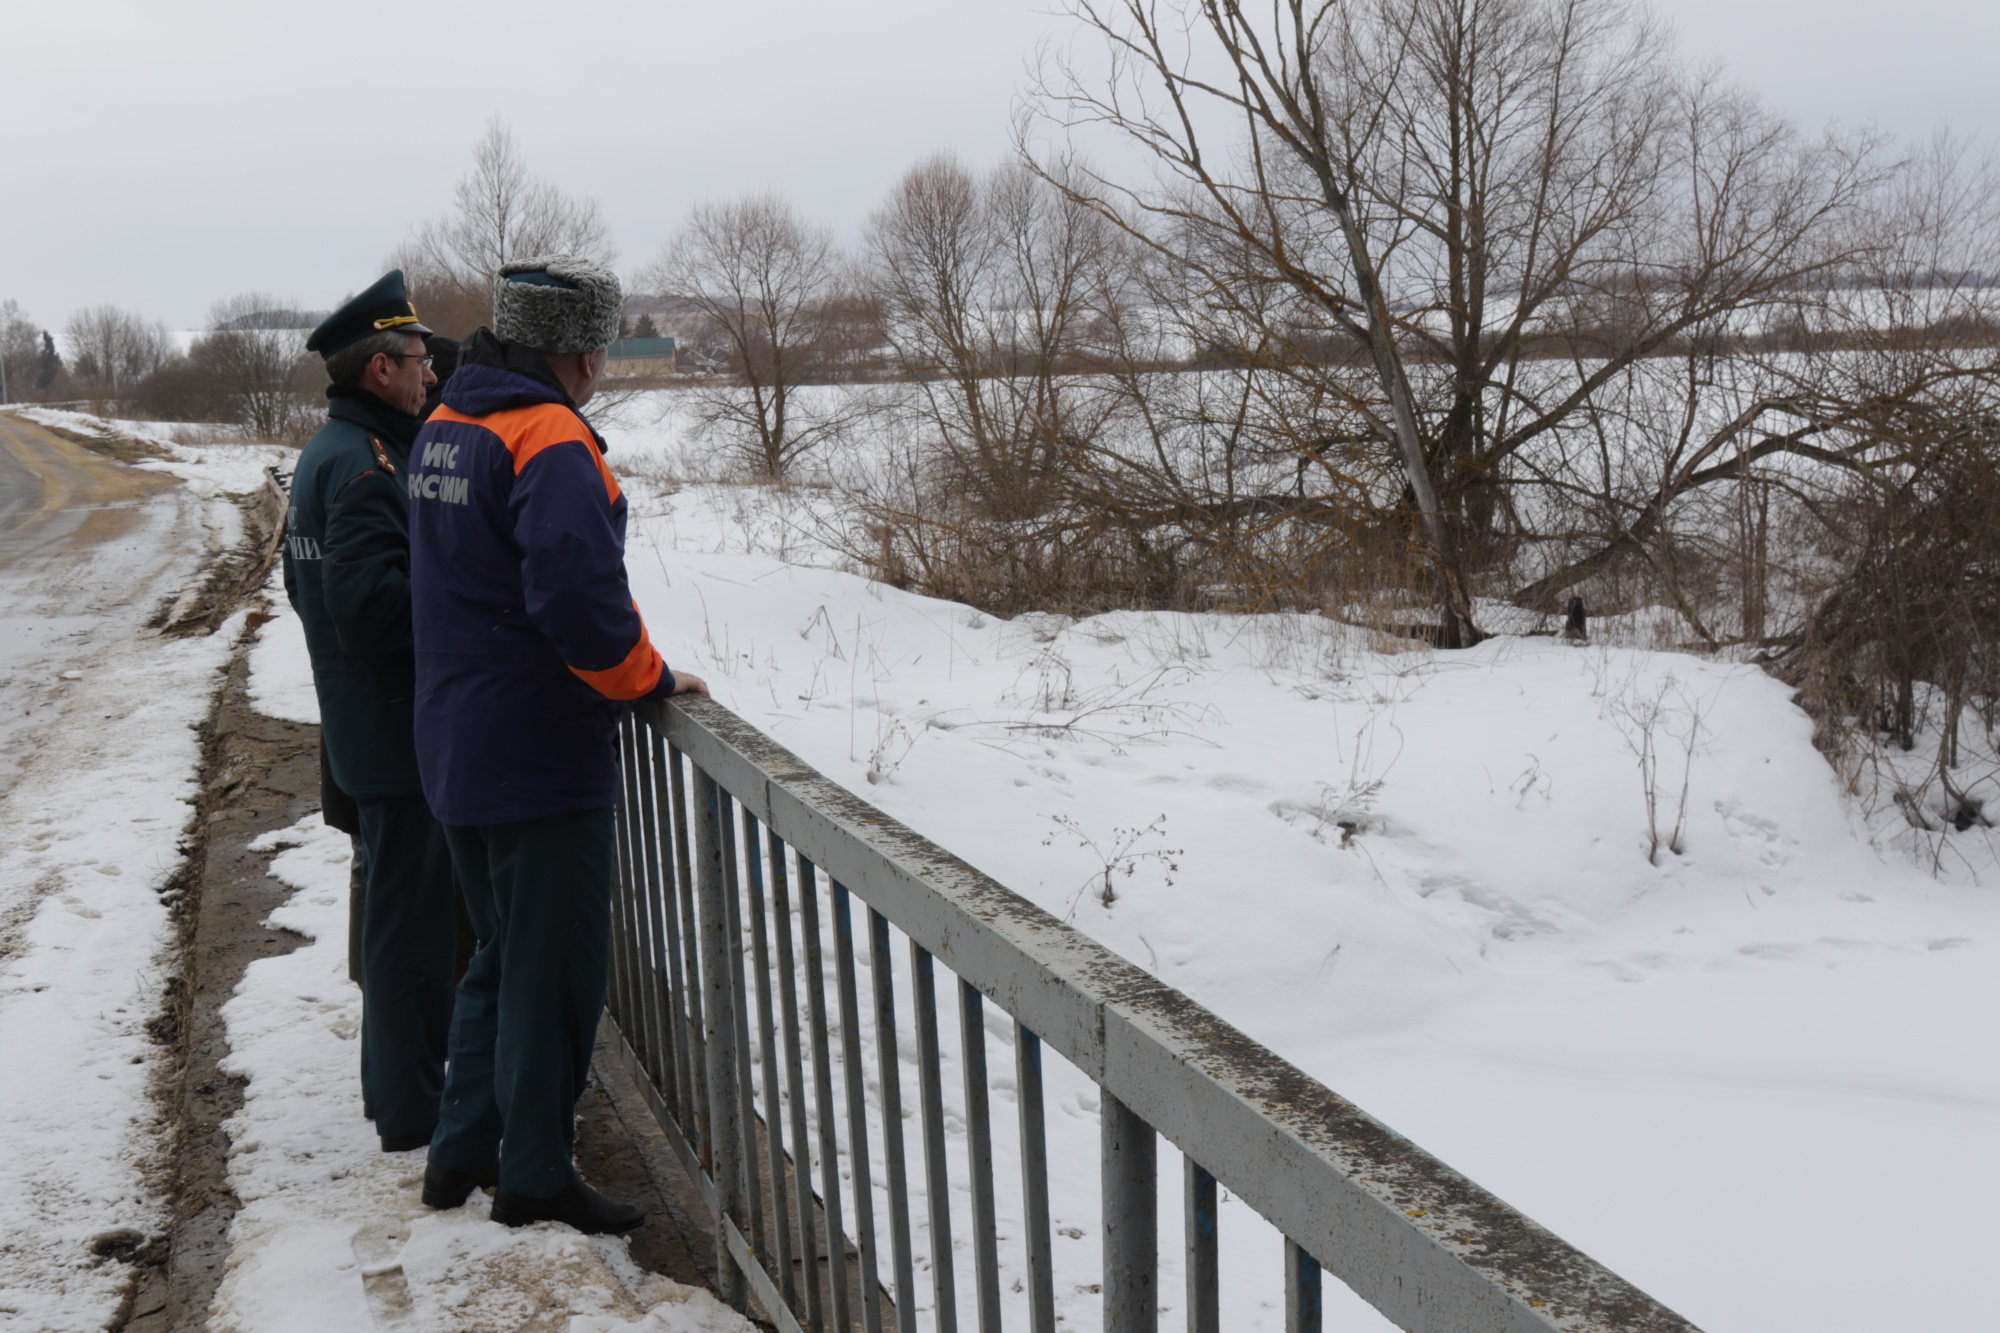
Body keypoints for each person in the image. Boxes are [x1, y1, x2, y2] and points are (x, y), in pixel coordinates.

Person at [407, 255, 707, 1234]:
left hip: (456, 738)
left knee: (501, 953)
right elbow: (580, 605)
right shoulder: (548, 438)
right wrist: (651, 681)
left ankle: (458, 1154)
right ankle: (533, 1174)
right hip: (536, 757)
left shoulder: (446, 424)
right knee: (557, 973)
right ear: (580, 347)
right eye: (602, 346)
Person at [286, 272, 461, 1154]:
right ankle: (410, 1110)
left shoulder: (332, 451)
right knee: (410, 931)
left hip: (365, 725)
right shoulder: (363, 468)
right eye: (420, 359)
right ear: (380, 369)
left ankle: (397, 1090)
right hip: (395, 735)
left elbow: (302, 589)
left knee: (399, 918)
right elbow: (364, 607)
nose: (430, 373)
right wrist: (461, 597)